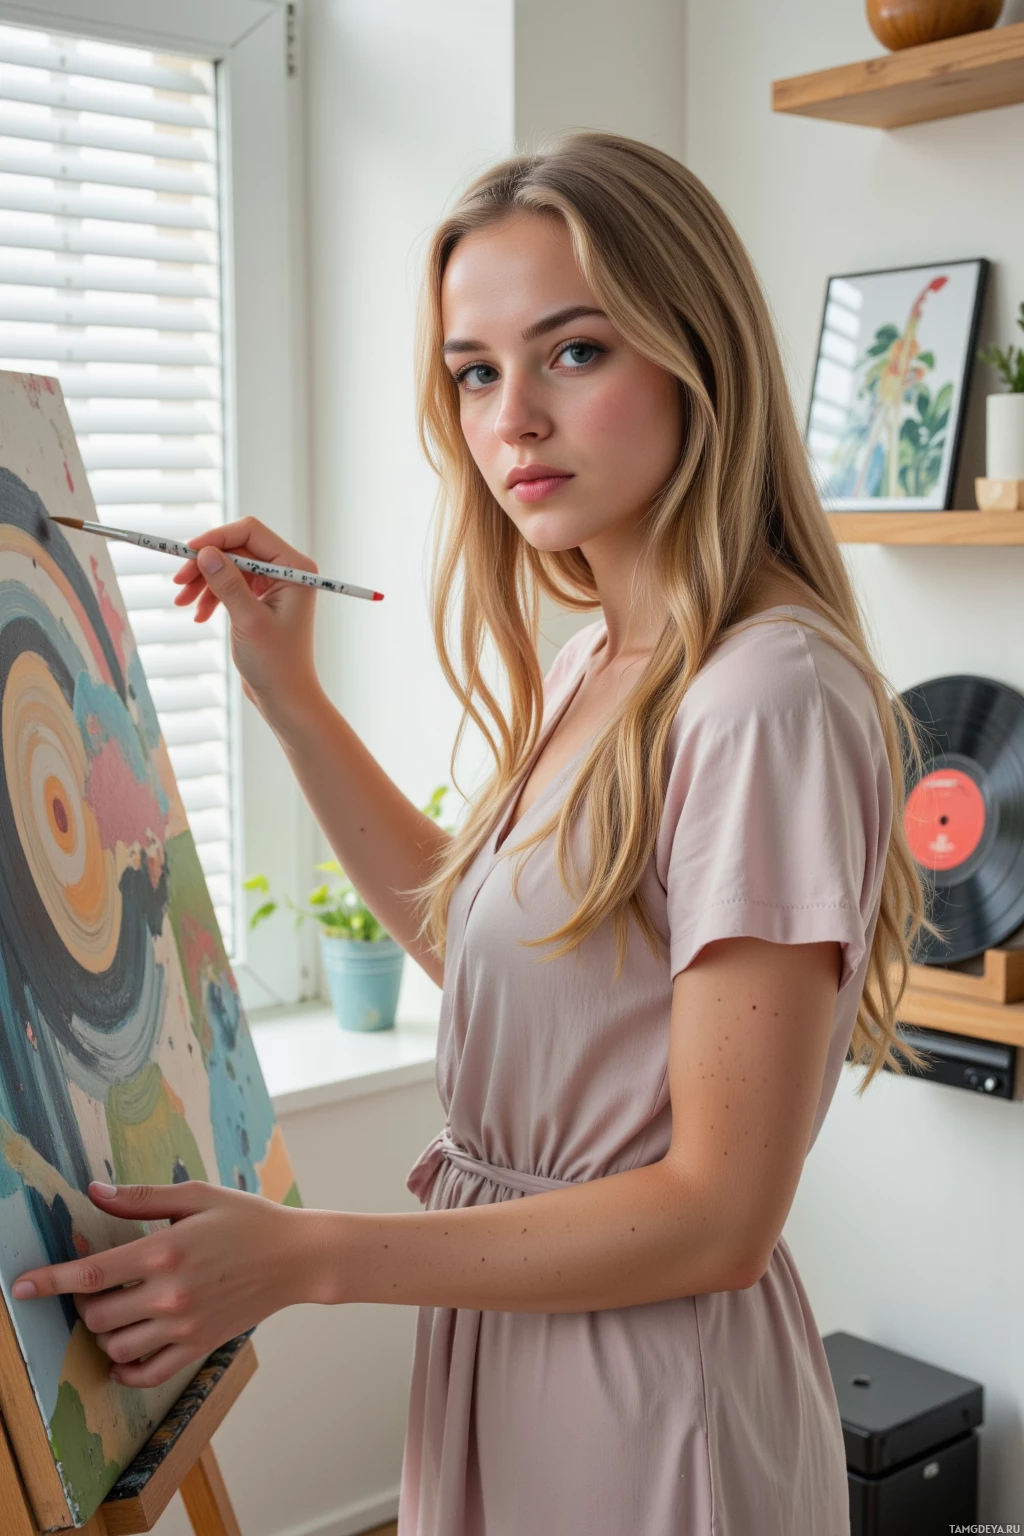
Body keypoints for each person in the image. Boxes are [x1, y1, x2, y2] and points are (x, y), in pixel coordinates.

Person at [13, 130, 942, 1535]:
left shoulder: (765, 696)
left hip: (649, 1395)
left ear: (698, 358)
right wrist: (290, 696)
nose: (514, 419)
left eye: (574, 351)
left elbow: (717, 1215)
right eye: (474, 372)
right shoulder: (600, 660)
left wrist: (306, 1257)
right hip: (519, 1350)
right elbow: (494, 955)